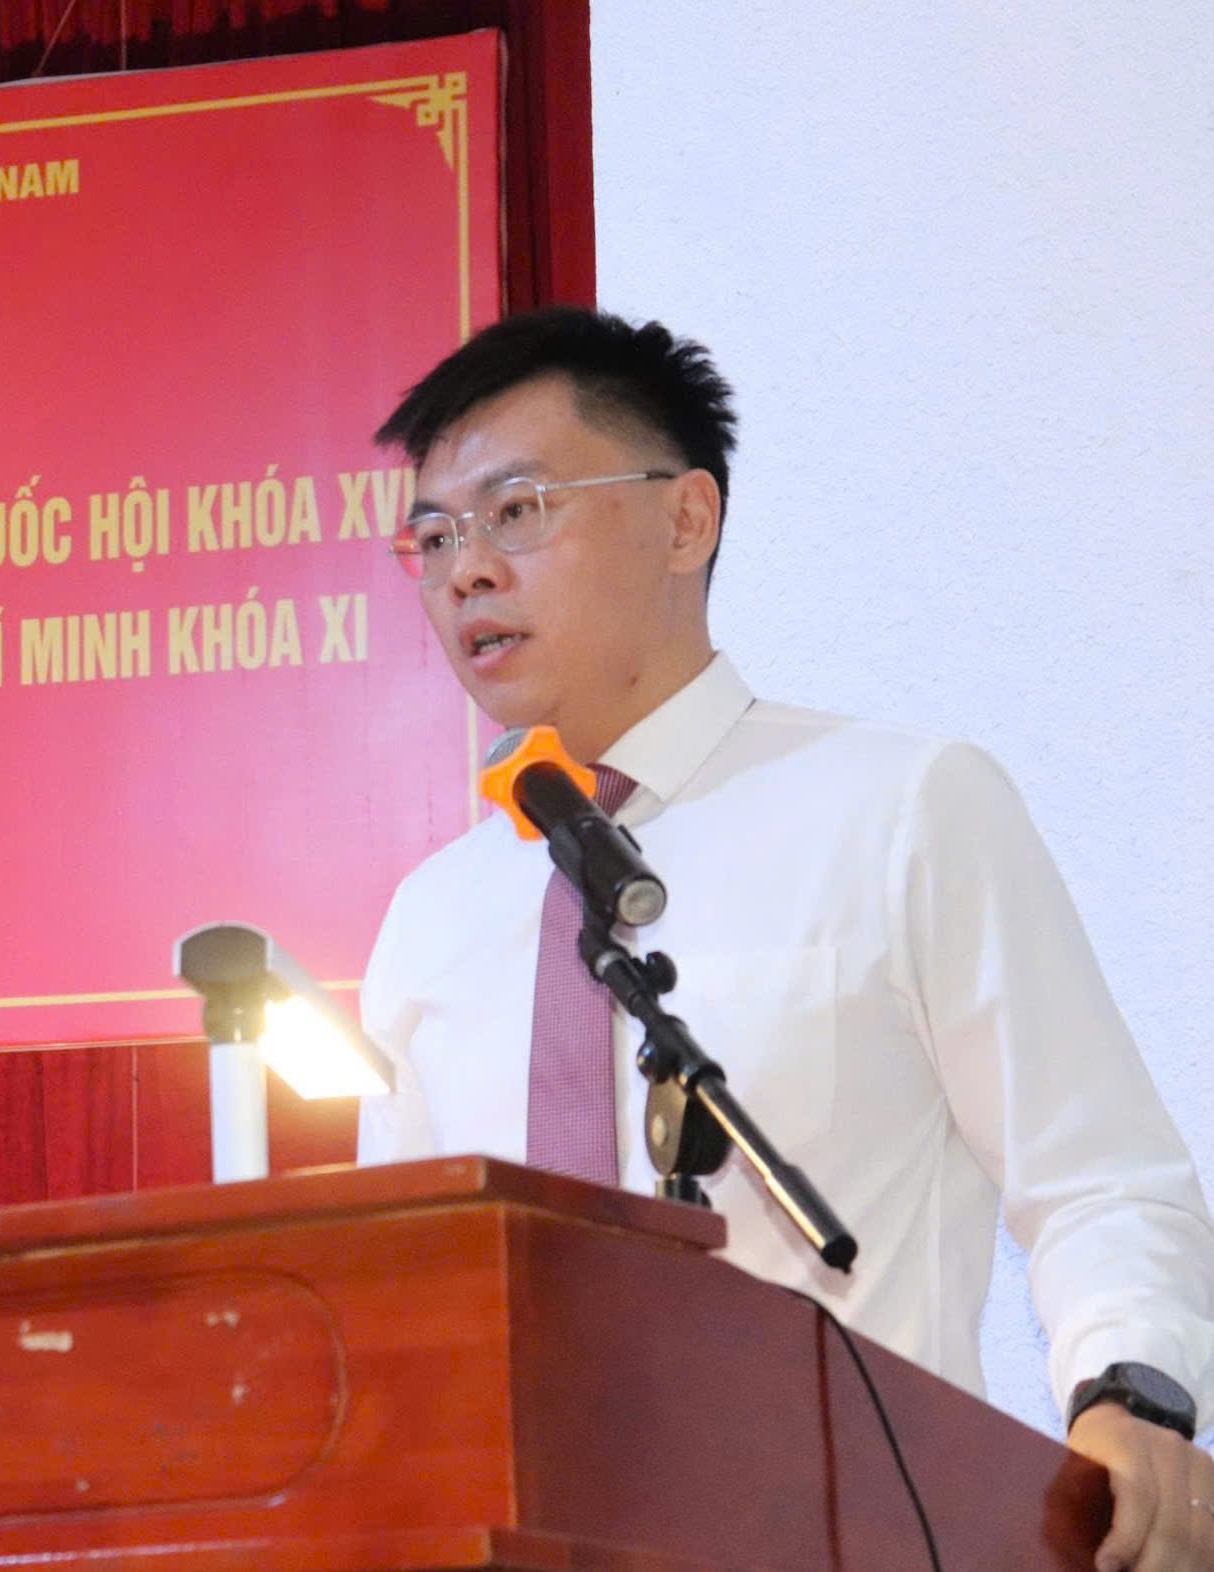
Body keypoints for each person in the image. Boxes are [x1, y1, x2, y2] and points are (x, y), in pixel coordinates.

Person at [355, 306, 1214, 1572]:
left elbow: (1098, 1178)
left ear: (684, 520)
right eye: (433, 538)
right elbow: (405, 1299)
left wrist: (1126, 1396)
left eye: (516, 511)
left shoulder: (902, 807)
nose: (465, 572)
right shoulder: (433, 917)